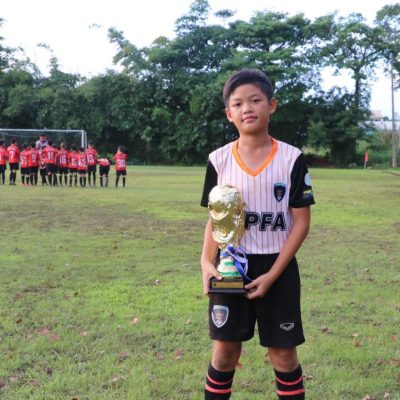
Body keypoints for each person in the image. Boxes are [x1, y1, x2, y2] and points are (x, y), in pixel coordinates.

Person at [200, 69, 315, 400]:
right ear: (229, 113)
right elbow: (216, 219)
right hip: (230, 266)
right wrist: (206, 262)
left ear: (271, 105)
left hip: (278, 266)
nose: (247, 108)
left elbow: (301, 222)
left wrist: (273, 274)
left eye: (255, 100)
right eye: (238, 104)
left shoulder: (292, 158)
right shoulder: (219, 159)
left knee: (283, 355)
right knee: (224, 353)